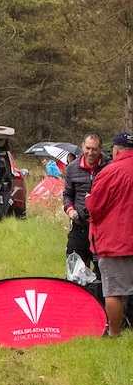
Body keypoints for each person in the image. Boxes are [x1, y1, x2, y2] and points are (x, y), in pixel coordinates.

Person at [85, 132, 133, 337]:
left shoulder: (110, 171)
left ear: (116, 149)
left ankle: (114, 333)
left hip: (116, 239)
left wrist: (88, 199)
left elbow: (95, 208)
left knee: (114, 289)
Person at [63, 133, 107, 287]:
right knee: (75, 271)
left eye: (94, 149)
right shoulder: (72, 167)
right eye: (88, 148)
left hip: (102, 228)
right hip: (79, 225)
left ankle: (101, 306)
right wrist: (70, 210)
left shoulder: (109, 166)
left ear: (100, 149)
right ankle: (77, 304)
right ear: (82, 146)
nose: (90, 152)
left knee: (103, 271)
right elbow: (67, 195)